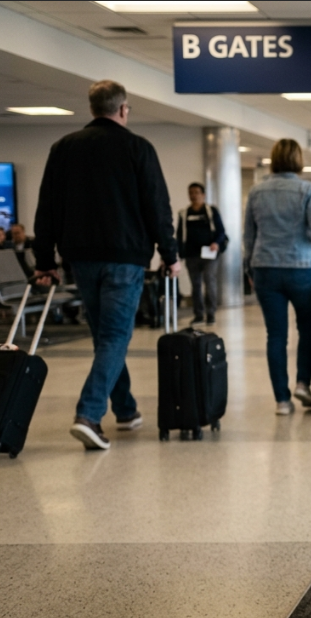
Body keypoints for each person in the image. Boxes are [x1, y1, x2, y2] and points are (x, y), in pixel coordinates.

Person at [31, 79, 182, 451]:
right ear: (123, 109)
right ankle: (89, 414)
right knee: (115, 337)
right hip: (124, 258)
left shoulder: (63, 148)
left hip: (80, 258)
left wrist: (44, 260)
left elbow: (47, 207)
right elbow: (157, 206)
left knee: (106, 338)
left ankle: (126, 409)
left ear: (92, 108)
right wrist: (170, 254)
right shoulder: (137, 148)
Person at [244, 138, 311, 416]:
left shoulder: (256, 191)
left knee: (275, 335)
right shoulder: (307, 190)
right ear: (298, 160)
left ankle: (282, 400)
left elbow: (249, 235)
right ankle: (302, 383)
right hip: (302, 268)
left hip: (265, 268)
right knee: (307, 330)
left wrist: (250, 268)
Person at [177, 182, 228, 326]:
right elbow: (180, 235)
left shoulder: (211, 211)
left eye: (197, 192)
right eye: (191, 193)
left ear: (203, 195)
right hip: (191, 254)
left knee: (209, 281)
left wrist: (216, 243)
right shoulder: (184, 213)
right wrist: (179, 253)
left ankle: (211, 313)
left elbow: (221, 231)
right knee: (196, 285)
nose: (194, 195)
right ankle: (198, 314)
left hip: (209, 254)